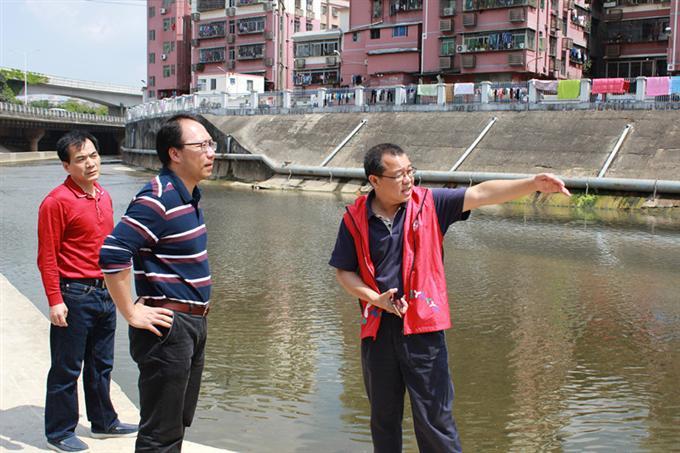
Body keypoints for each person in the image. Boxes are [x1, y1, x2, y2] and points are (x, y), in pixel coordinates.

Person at [329, 143, 571, 453]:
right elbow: (345, 272)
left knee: (435, 420)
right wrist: (375, 299)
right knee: (383, 421)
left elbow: (481, 194)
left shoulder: (430, 204)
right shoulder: (355, 218)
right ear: (374, 180)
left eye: (410, 171)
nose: (408, 180)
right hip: (378, 332)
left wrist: (532, 183)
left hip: (423, 331)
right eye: (399, 175)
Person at [99, 114, 216, 452]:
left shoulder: (189, 195)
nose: (211, 152)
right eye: (201, 145)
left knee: (177, 422)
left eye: (211, 143)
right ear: (174, 153)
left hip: (192, 323)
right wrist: (130, 312)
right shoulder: (157, 198)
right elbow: (113, 253)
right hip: (168, 328)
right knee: (159, 433)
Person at [37, 130, 138, 453]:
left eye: (93, 155)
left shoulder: (103, 195)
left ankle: (103, 421)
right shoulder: (56, 202)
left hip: (105, 293)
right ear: (66, 166)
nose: (91, 163)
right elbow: (47, 256)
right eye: (80, 159)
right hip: (75, 294)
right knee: (67, 367)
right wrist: (55, 300)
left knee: (101, 363)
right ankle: (59, 432)